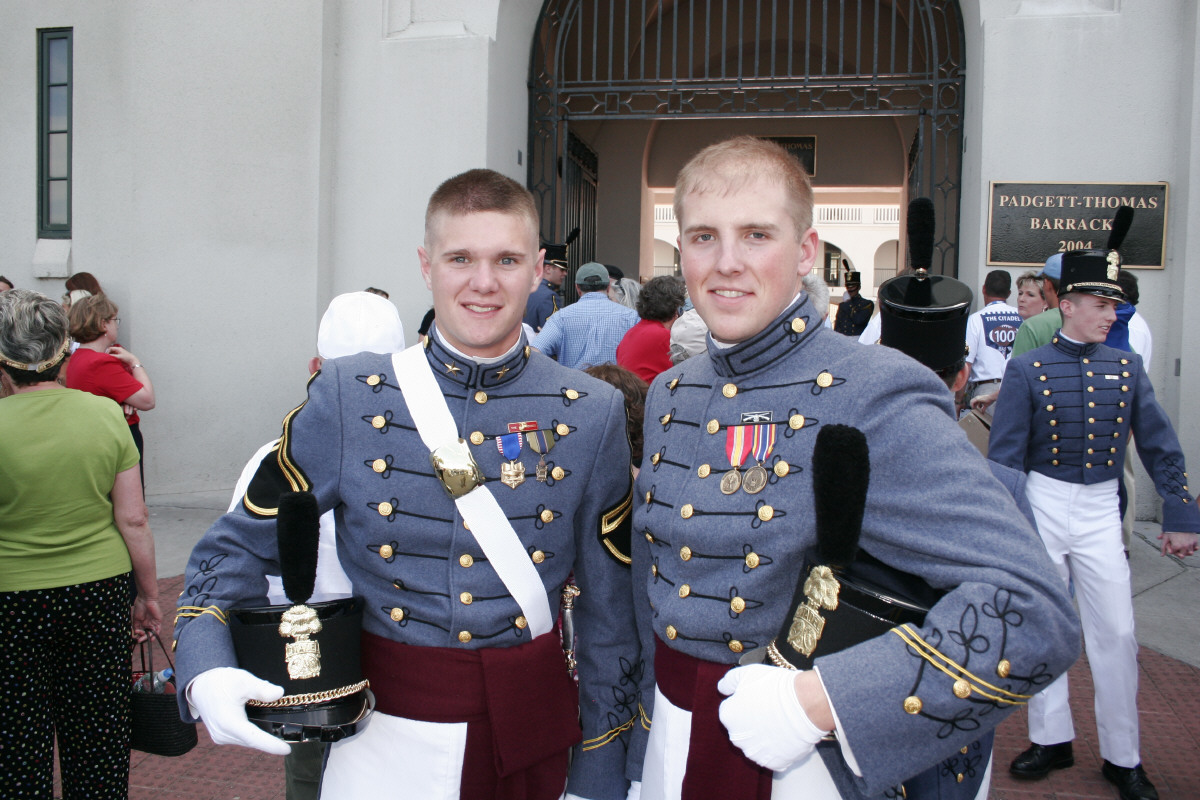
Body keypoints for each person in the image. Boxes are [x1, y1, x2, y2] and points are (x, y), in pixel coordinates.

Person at [630, 136, 1078, 799]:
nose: (726, 263)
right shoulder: (674, 391)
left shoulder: (872, 390)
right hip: (670, 741)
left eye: (757, 235)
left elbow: (1034, 610)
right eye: (704, 237)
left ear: (805, 251)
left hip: (800, 759)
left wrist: (820, 704)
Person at [175, 168, 640, 800]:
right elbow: (234, 545)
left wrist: (600, 769)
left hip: (533, 735)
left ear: (538, 270)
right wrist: (206, 665)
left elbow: (610, 610)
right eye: (460, 258)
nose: (483, 282)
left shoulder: (591, 410)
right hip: (382, 738)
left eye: (506, 260)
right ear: (426, 266)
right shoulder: (349, 396)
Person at [988, 250, 1198, 800]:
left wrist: (1180, 513)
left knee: (1118, 632)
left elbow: (1159, 444)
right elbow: (1005, 456)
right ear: (1069, 305)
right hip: (1042, 501)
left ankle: (1123, 755)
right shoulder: (1028, 369)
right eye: (1102, 305)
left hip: (1102, 507)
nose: (1112, 315)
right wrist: (1004, 526)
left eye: (1114, 306)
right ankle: (1050, 737)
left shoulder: (1126, 368)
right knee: (1046, 626)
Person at [226, 290, 405, 800]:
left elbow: (240, 570)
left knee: (314, 780)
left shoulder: (273, 459)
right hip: (384, 654)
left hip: (311, 664)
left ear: (315, 368)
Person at [0, 289, 161, 798]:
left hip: (12, 597)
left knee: (16, 742)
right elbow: (133, 519)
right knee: (98, 737)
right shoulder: (103, 415)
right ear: (61, 351)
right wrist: (148, 594)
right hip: (97, 591)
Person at [67, 294, 156, 487]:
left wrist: (126, 398)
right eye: (115, 320)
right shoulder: (100, 362)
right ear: (103, 324)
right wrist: (135, 362)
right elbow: (147, 400)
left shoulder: (80, 356)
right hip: (117, 435)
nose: (117, 325)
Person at [533, 261, 639, 369]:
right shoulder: (632, 317)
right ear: (608, 287)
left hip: (574, 379)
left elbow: (535, 352)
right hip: (616, 379)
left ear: (577, 288)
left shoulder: (561, 317)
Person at [962, 270, 1021, 411]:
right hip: (1017, 388)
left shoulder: (975, 319)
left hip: (985, 392)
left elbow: (966, 363)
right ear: (1009, 293)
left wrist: (958, 400)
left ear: (984, 289)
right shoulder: (1023, 316)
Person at [617, 275, 686, 383]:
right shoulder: (663, 336)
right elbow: (680, 376)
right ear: (675, 308)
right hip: (649, 392)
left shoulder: (632, 332)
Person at [523, 243, 568, 331]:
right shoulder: (549, 296)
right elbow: (552, 334)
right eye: (562, 270)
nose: (565, 273)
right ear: (548, 269)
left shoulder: (525, 289)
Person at [831, 270, 873, 336]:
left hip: (857, 340)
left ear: (859, 287)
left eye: (853, 286)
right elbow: (837, 327)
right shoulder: (842, 305)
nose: (850, 289)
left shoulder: (867, 304)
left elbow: (859, 320)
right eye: (848, 287)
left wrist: (848, 303)